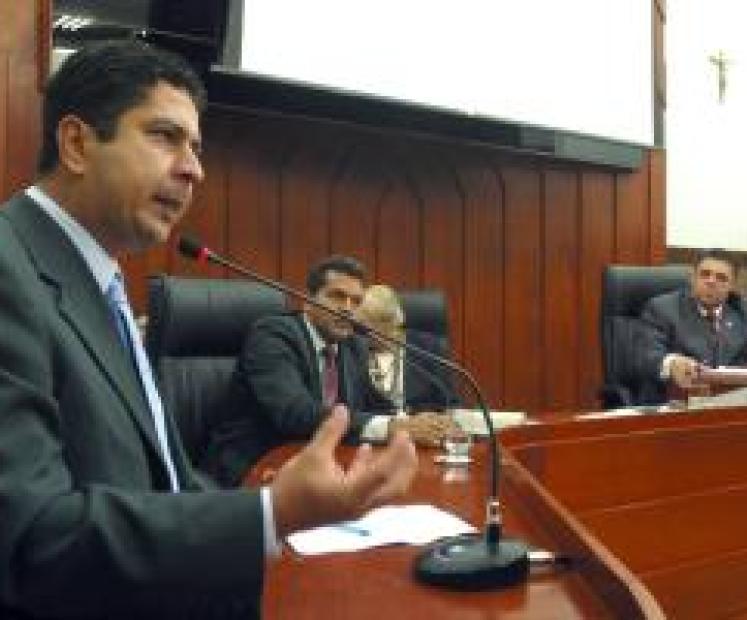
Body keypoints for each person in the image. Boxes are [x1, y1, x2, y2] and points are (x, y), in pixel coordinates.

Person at [0, 40, 417, 619]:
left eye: (195, 147)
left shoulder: (98, 284)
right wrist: (270, 513)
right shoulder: (10, 270)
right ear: (77, 144)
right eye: (164, 137)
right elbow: (32, 540)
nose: (194, 169)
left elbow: (167, 482)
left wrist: (268, 521)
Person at [205, 257, 455, 486]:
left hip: (322, 465)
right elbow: (295, 413)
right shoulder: (273, 336)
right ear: (308, 301)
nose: (347, 308)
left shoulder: (353, 345)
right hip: (256, 463)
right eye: (337, 296)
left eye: (356, 301)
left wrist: (422, 423)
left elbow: (374, 406)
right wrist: (392, 427)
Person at [635, 248, 747, 403]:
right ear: (693, 277)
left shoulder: (743, 313)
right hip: (673, 403)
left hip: (731, 403)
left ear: (732, 286)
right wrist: (672, 364)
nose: (711, 282)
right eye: (705, 274)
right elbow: (646, 357)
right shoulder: (662, 309)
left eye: (721, 278)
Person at [354, 284, 461, 412]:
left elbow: (450, 403)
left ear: (396, 321)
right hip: (374, 423)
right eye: (363, 327)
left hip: (421, 422)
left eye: (381, 324)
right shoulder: (353, 350)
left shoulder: (429, 349)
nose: (369, 334)